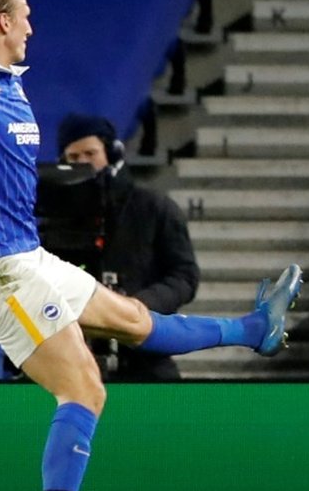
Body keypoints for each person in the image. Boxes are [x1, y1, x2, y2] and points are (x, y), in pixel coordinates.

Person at [0, 0, 302, 491]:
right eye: (26, 15)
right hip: (2, 275)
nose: (32, 26)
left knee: (136, 320)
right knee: (85, 389)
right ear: (2, 22)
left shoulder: (9, 88)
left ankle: (254, 330)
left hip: (26, 258)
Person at [48, 112, 199, 381]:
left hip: (144, 356)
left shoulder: (154, 208)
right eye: (73, 158)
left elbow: (185, 276)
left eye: (90, 154)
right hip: (73, 359)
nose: (82, 163)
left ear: (112, 153)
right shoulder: (53, 220)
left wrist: (137, 307)